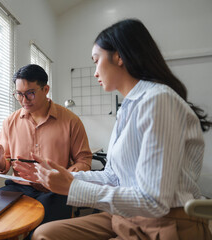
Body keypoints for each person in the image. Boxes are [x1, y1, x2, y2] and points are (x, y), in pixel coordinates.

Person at [15, 19, 212, 240]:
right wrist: (64, 177)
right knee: (44, 234)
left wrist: (72, 186)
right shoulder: (128, 107)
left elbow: (153, 201)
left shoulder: (158, 101)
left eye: (96, 60)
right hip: (127, 215)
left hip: (165, 220)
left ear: (119, 57)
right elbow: (114, 176)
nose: (95, 72)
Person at [0, 64, 93, 226]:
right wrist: (0, 160)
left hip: (55, 189)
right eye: (19, 94)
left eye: (30, 93)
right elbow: (5, 164)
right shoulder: (10, 122)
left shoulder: (71, 121)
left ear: (46, 89)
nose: (23, 100)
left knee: (43, 227)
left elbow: (84, 161)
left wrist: (60, 175)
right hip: (19, 187)